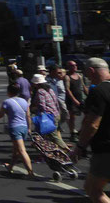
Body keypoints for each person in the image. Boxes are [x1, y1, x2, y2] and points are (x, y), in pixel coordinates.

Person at [70, 58, 110, 203]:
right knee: (89, 186)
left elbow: (93, 124)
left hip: (105, 149)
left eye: (87, 74)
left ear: (91, 71)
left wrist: (80, 147)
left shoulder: (98, 91)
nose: (86, 78)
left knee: (94, 190)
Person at [0, 83, 35, 178]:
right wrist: (29, 128)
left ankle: (30, 172)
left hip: (14, 127)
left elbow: (0, 115)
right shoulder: (24, 101)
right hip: (24, 127)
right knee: (16, 150)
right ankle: (10, 167)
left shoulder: (7, 102)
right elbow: (28, 116)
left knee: (21, 150)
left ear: (9, 92)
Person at [30, 74, 68, 151]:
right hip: (56, 114)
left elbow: (42, 106)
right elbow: (56, 102)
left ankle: (66, 149)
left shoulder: (40, 91)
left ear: (36, 84)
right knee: (50, 135)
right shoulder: (50, 89)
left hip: (48, 116)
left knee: (53, 136)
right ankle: (50, 150)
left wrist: (34, 109)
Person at [65, 60, 88, 142]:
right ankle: (72, 133)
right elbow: (67, 89)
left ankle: (80, 131)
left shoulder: (79, 76)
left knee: (87, 115)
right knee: (72, 117)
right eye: (72, 65)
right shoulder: (67, 77)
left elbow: (84, 86)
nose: (74, 66)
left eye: (75, 65)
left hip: (80, 98)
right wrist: (74, 100)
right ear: (68, 67)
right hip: (72, 100)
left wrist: (88, 95)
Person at [48, 66, 69, 133]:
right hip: (51, 101)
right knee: (55, 116)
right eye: (58, 72)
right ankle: (55, 127)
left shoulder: (59, 80)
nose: (60, 74)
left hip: (61, 100)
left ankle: (59, 124)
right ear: (53, 72)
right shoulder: (46, 80)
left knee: (65, 114)